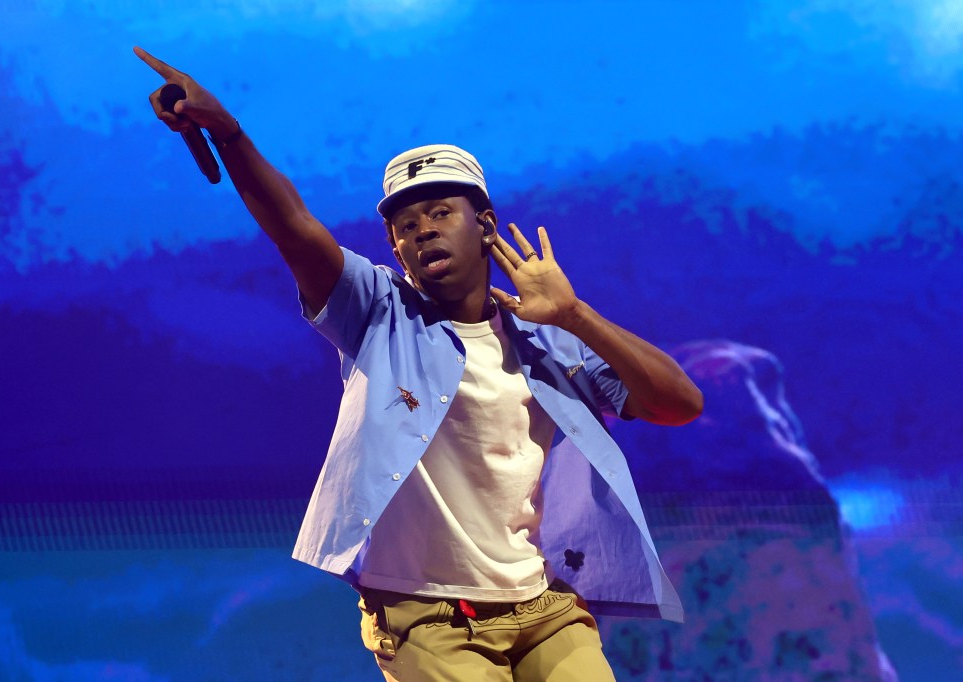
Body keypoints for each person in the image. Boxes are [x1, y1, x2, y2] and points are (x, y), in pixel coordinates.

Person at [135, 46, 703, 682]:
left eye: (440, 214)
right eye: (406, 225)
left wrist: (576, 317)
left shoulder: (545, 336)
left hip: (543, 608)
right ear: (394, 247)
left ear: (485, 226)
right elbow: (295, 229)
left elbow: (680, 404)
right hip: (426, 618)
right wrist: (229, 134)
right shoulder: (377, 310)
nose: (422, 231)